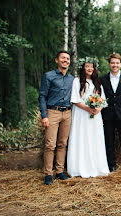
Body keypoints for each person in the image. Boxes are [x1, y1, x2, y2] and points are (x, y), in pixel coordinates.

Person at [66, 58, 110, 178]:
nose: (90, 69)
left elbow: (103, 100)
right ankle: (79, 167)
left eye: (92, 66)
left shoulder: (97, 82)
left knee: (94, 138)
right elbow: (75, 99)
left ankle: (96, 167)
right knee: (82, 137)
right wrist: (88, 109)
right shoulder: (77, 81)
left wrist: (97, 109)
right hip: (81, 114)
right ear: (83, 68)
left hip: (95, 115)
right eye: (87, 66)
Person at [38, 50, 74, 185]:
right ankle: (48, 173)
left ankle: (59, 172)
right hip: (53, 112)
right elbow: (42, 96)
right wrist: (44, 115)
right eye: (63, 58)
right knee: (50, 144)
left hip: (67, 113)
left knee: (62, 143)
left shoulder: (72, 79)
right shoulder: (49, 76)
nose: (66, 60)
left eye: (68, 58)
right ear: (57, 60)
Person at [100, 53, 121, 173]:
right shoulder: (102, 79)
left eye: (117, 63)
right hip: (108, 115)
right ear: (109, 64)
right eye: (112, 63)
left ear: (120, 64)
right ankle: (111, 164)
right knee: (109, 140)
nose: (115, 65)